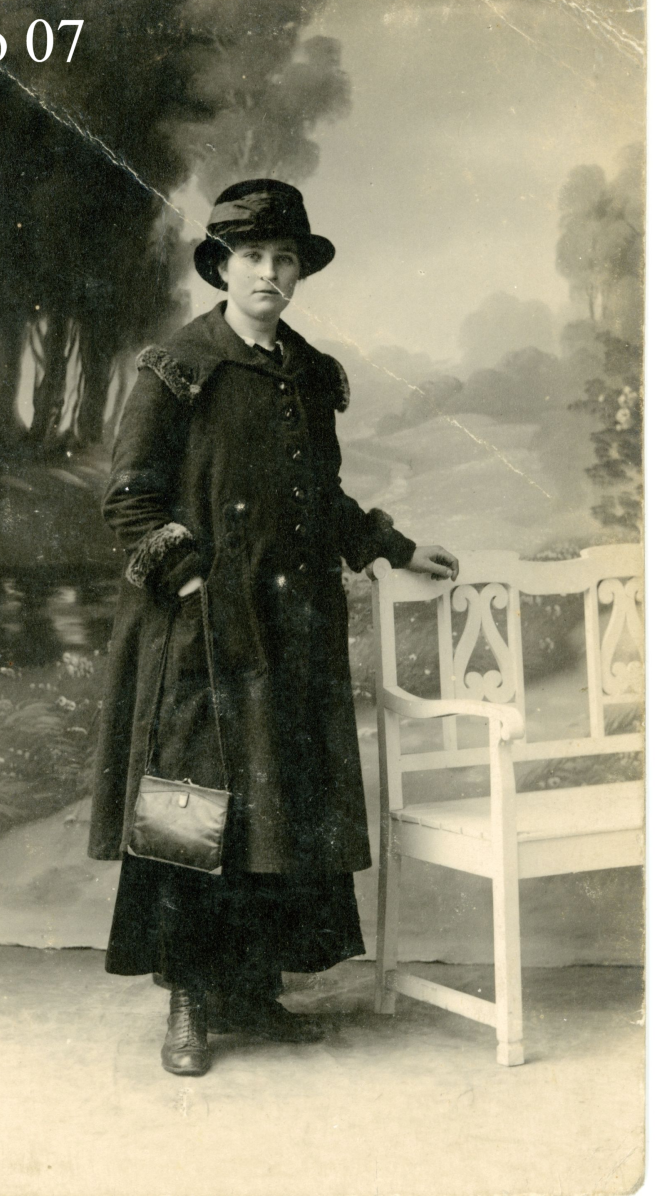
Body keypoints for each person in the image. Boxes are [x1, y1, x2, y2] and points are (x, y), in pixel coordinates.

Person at [88, 179, 458, 1076]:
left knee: (275, 810)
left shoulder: (307, 373)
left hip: (291, 627)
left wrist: (391, 546)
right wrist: (188, 579)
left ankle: (252, 990)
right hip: (200, 630)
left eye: (283, 258)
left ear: (298, 273)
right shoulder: (177, 366)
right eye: (251, 256)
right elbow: (130, 497)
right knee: (192, 811)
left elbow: (321, 495)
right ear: (222, 267)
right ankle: (188, 999)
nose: (268, 273)